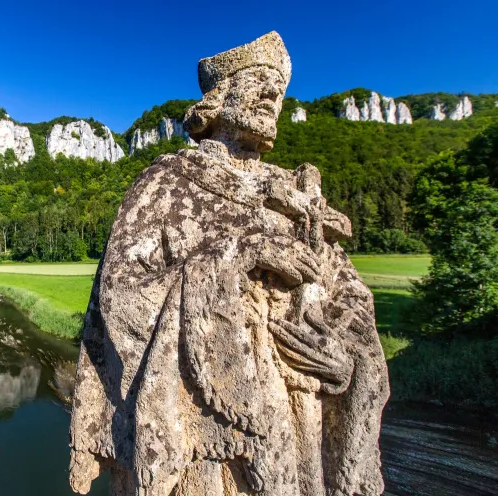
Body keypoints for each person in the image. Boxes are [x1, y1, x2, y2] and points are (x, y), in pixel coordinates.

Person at [69, 32, 388, 496]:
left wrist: (341, 347)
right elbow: (121, 292)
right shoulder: (171, 182)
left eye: (279, 89)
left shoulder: (298, 196)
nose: (272, 95)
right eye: (259, 80)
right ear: (219, 96)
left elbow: (347, 288)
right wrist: (241, 255)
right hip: (214, 428)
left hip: (303, 416)